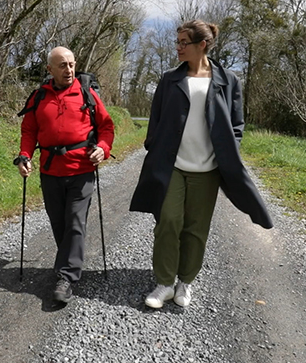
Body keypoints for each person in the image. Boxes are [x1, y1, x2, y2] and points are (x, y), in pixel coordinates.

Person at [130, 20, 273, 309]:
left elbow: (236, 124)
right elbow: (155, 119)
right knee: (168, 220)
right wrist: (154, 146)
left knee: (197, 227)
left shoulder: (228, 80)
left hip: (208, 169)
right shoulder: (169, 78)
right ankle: (164, 283)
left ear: (202, 45)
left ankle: (185, 282)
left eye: (184, 42)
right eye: (178, 42)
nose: (178, 47)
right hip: (173, 166)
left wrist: (230, 150)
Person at [15, 46, 115, 303]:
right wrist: (25, 156)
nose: (68, 69)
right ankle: (67, 262)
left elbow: (106, 127)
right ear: (50, 69)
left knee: (74, 221)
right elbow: (29, 131)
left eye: (71, 64)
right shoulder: (39, 97)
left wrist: (103, 149)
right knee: (58, 222)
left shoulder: (87, 94)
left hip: (81, 170)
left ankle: (67, 277)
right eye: (62, 65)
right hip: (50, 170)